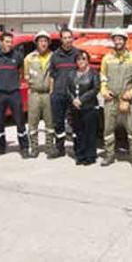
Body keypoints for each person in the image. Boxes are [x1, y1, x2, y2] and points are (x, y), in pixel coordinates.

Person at [99, 28, 132, 168]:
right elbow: (103, 77)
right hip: (111, 99)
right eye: (115, 39)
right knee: (108, 130)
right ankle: (109, 156)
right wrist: (104, 91)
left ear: (125, 41)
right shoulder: (107, 58)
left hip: (126, 99)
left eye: (120, 38)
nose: (118, 41)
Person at [0, 32, 30, 159]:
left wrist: (13, 84)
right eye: (6, 41)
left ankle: (24, 147)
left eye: (11, 42)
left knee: (20, 121)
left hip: (14, 93)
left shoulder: (17, 56)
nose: (9, 44)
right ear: (1, 42)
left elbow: (21, 73)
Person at [48, 27, 79, 159]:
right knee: (58, 122)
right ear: (61, 40)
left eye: (69, 37)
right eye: (64, 38)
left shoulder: (78, 54)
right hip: (58, 94)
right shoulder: (55, 56)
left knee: (76, 122)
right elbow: (52, 76)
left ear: (72, 39)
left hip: (74, 95)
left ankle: (78, 149)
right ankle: (59, 148)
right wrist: (51, 93)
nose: (67, 40)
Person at [23, 31, 53, 158]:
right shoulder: (29, 58)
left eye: (45, 41)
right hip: (34, 93)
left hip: (48, 94)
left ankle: (49, 147)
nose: (43, 43)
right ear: (36, 43)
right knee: (33, 122)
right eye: (41, 41)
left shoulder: (53, 56)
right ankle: (34, 147)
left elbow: (54, 75)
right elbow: (25, 76)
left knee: (50, 123)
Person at [68, 50, 100, 165]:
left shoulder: (93, 73)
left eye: (83, 59)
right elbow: (68, 89)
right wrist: (73, 100)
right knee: (78, 132)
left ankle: (90, 156)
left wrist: (81, 100)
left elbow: (95, 89)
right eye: (78, 59)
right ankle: (80, 155)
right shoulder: (71, 73)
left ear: (88, 60)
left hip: (89, 107)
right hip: (75, 108)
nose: (81, 61)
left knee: (89, 133)